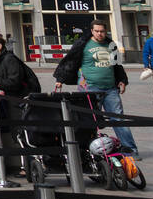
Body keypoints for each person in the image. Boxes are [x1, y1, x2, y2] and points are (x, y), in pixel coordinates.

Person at [54, 20, 138, 155]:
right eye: (97, 31)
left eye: (102, 31)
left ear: (106, 31)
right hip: (90, 88)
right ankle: (90, 149)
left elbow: (117, 65)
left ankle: (130, 150)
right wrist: (60, 79)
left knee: (118, 119)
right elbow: (70, 60)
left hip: (110, 89)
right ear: (92, 31)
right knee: (90, 120)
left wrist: (122, 80)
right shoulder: (83, 44)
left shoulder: (111, 45)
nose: (100, 34)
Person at [0, 33, 39, 175]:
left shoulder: (9, 59)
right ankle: (20, 165)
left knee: (21, 132)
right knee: (11, 131)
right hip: (3, 101)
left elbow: (14, 82)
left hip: (18, 100)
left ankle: (29, 166)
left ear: (0, 46)